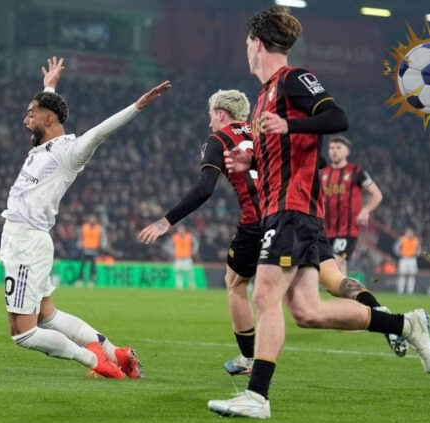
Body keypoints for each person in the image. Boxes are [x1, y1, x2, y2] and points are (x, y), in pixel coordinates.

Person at [206, 7, 430, 419]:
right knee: (307, 312)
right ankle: (406, 325)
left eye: (247, 43)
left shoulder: (293, 79)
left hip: (292, 209)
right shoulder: (263, 98)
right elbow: (280, 151)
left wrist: (289, 126)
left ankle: (257, 396)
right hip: (285, 211)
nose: (246, 50)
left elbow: (336, 117)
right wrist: (250, 160)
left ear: (257, 43)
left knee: (264, 295)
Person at [138, 89, 404, 379]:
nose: (209, 122)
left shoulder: (218, 139)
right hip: (300, 213)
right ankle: (382, 315)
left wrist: (166, 221)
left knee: (236, 283)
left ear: (221, 114)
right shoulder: (264, 130)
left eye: (210, 115)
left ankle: (249, 357)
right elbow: (319, 162)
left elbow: (205, 188)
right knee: (332, 279)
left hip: (259, 221)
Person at [0, 56, 170, 379]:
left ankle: (94, 361)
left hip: (25, 242)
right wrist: (49, 86)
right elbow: (47, 108)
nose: (25, 120)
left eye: (30, 114)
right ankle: (118, 354)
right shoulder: (45, 145)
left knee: (23, 332)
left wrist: (137, 106)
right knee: (48, 316)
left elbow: (101, 132)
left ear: (48, 119)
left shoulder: (70, 152)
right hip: (25, 241)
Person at [321, 135, 383, 275]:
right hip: (326, 230)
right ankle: (347, 290)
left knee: (333, 265)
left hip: (347, 231)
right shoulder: (323, 173)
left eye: (338, 148)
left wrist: (366, 210)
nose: (334, 151)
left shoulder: (357, 172)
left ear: (347, 151)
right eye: (331, 148)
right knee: (339, 270)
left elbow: (377, 194)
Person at [76, 215, 105, 287]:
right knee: (82, 265)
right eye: (91, 219)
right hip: (85, 249)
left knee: (93, 266)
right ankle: (80, 280)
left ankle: (91, 280)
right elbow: (81, 237)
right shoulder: (84, 227)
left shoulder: (99, 228)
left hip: (94, 250)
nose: (92, 221)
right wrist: (79, 244)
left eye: (93, 219)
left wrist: (102, 246)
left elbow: (102, 238)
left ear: (96, 220)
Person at [394, 228, 421, 295]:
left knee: (412, 275)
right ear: (406, 233)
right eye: (408, 232)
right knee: (402, 275)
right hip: (404, 259)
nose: (410, 234)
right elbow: (396, 247)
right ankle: (400, 291)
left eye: (411, 232)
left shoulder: (416, 240)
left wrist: (416, 254)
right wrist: (400, 254)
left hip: (412, 259)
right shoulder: (402, 239)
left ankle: (410, 292)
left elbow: (419, 249)